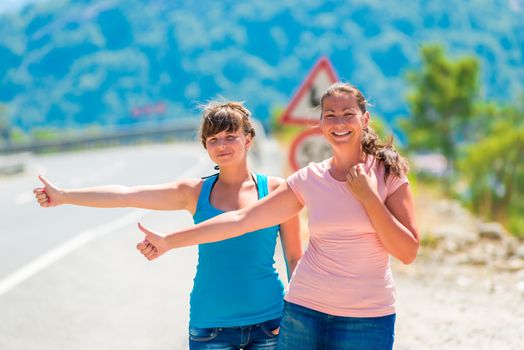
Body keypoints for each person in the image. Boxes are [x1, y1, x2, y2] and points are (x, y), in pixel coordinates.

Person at [136, 83, 420, 350]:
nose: (339, 123)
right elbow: (241, 220)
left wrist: (369, 198)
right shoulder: (309, 179)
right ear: (321, 124)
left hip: (367, 318)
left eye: (348, 114)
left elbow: (407, 252)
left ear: (365, 119)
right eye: (330, 115)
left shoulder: (387, 174)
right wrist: (169, 241)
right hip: (305, 311)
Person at [33, 101, 303, 350]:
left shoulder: (276, 189)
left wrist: (295, 316)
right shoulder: (194, 192)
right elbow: (126, 195)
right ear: (205, 146)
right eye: (213, 139)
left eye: (230, 136)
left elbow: (293, 257)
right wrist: (65, 196)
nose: (222, 145)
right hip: (211, 326)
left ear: (248, 139)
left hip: (271, 323)